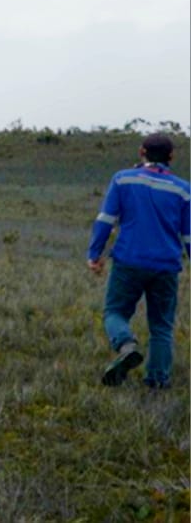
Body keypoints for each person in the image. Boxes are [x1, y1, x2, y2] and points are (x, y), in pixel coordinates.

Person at [86, 132, 190, 389]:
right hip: (165, 266)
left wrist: (94, 254)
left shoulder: (122, 179)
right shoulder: (183, 189)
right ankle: (156, 382)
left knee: (114, 312)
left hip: (128, 261)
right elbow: (188, 234)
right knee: (162, 327)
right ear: (171, 156)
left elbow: (106, 220)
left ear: (141, 152)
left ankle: (126, 344)